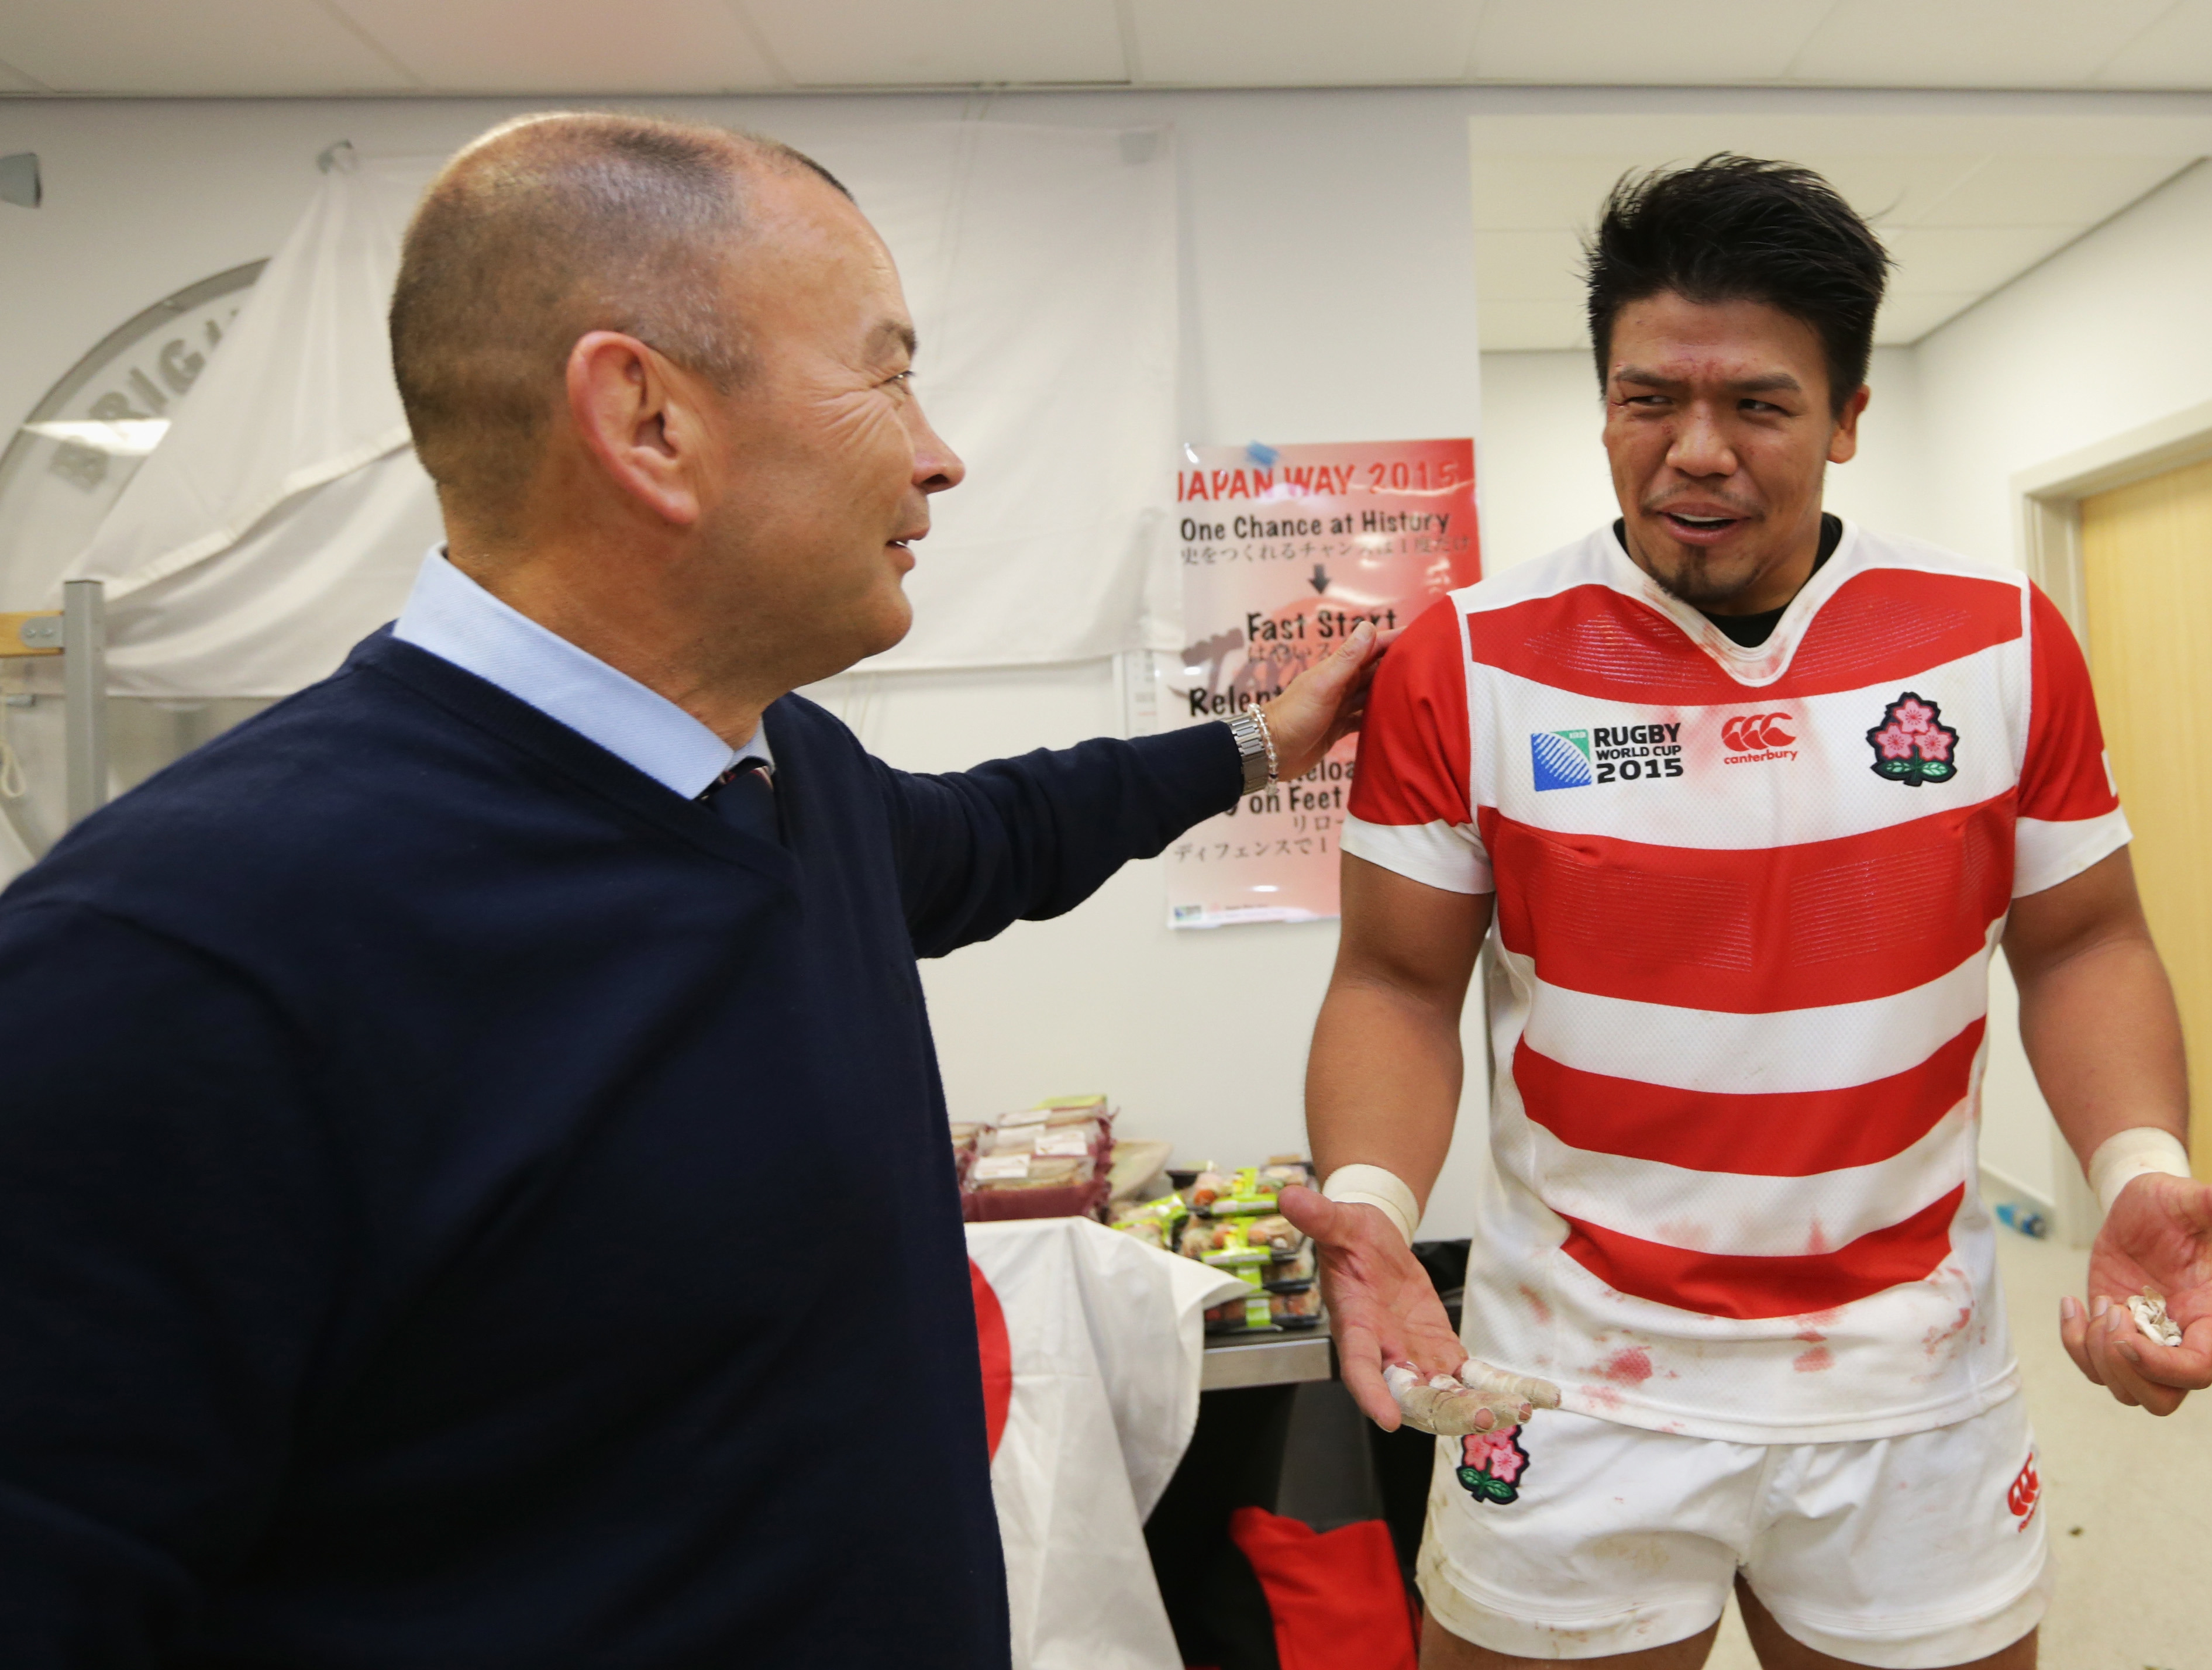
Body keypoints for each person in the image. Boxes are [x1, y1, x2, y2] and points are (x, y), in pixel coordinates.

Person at [0, 112, 1380, 1667]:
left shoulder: (784, 778)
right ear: (645, 420)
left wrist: (1266, 739)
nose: (939, 451)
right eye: (885, 370)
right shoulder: (177, 960)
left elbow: (1001, 835)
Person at [1277, 155, 2212, 1670]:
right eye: (1646, 401)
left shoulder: (1999, 643)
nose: (1695, 452)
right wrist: (1370, 1198)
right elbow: (1397, 985)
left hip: (1910, 1373)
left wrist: (2133, 1161)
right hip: (1573, 1374)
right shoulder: (1468, 665)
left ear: (1850, 417)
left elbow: (2084, 940)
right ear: (1604, 401)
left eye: (1757, 403)